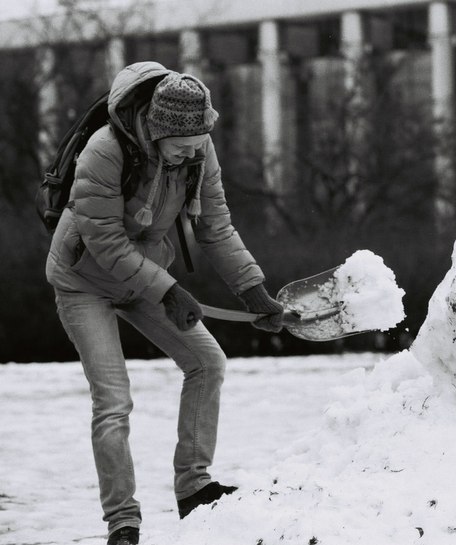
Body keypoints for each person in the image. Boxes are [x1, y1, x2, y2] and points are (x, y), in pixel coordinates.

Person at [45, 61, 285, 545]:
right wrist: (169, 291)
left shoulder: (199, 148)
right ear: (156, 130)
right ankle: (123, 522)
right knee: (113, 402)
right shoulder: (105, 150)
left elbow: (215, 226)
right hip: (83, 280)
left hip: (144, 277)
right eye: (183, 145)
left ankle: (194, 487)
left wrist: (252, 289)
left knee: (207, 363)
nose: (193, 153)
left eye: (199, 143)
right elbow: (106, 242)